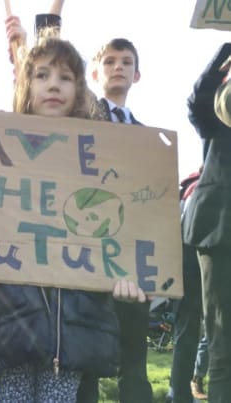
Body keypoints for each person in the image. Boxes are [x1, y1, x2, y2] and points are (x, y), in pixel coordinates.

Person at [0, 30, 146, 402]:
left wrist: (126, 275)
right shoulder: (1, 146)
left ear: (80, 89)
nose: (54, 86)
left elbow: (119, 225)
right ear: (26, 85)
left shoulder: (100, 154)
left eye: (66, 78)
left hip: (73, 325)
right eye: (43, 75)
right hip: (12, 318)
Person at [77, 37, 153, 403]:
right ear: (95, 72)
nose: (117, 66)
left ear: (137, 74)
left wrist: (157, 270)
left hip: (132, 266)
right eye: (109, 61)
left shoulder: (149, 139)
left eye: (125, 61)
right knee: (89, 358)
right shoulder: (84, 117)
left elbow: (152, 206)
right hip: (87, 259)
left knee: (134, 358)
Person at [184, 42, 231, 402]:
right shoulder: (218, 118)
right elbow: (198, 100)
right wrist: (228, 48)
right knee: (223, 343)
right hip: (220, 231)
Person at [169, 167, 206, 403]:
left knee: (186, 334)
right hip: (198, 268)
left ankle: (178, 391)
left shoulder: (186, 186)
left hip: (181, 268)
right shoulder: (199, 186)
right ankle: (180, 391)